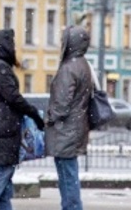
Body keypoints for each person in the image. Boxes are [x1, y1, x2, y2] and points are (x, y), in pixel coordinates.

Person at [0, 28, 45, 210]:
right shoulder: (1, 68)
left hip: (4, 122)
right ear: (3, 46)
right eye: (11, 44)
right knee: (5, 171)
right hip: (5, 124)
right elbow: (13, 97)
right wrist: (33, 113)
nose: (14, 48)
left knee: (6, 180)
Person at [45, 25, 93, 210]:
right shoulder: (83, 64)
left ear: (70, 42)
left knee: (67, 177)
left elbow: (61, 103)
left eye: (63, 39)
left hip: (66, 130)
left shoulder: (69, 67)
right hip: (76, 127)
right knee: (69, 174)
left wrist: (49, 117)